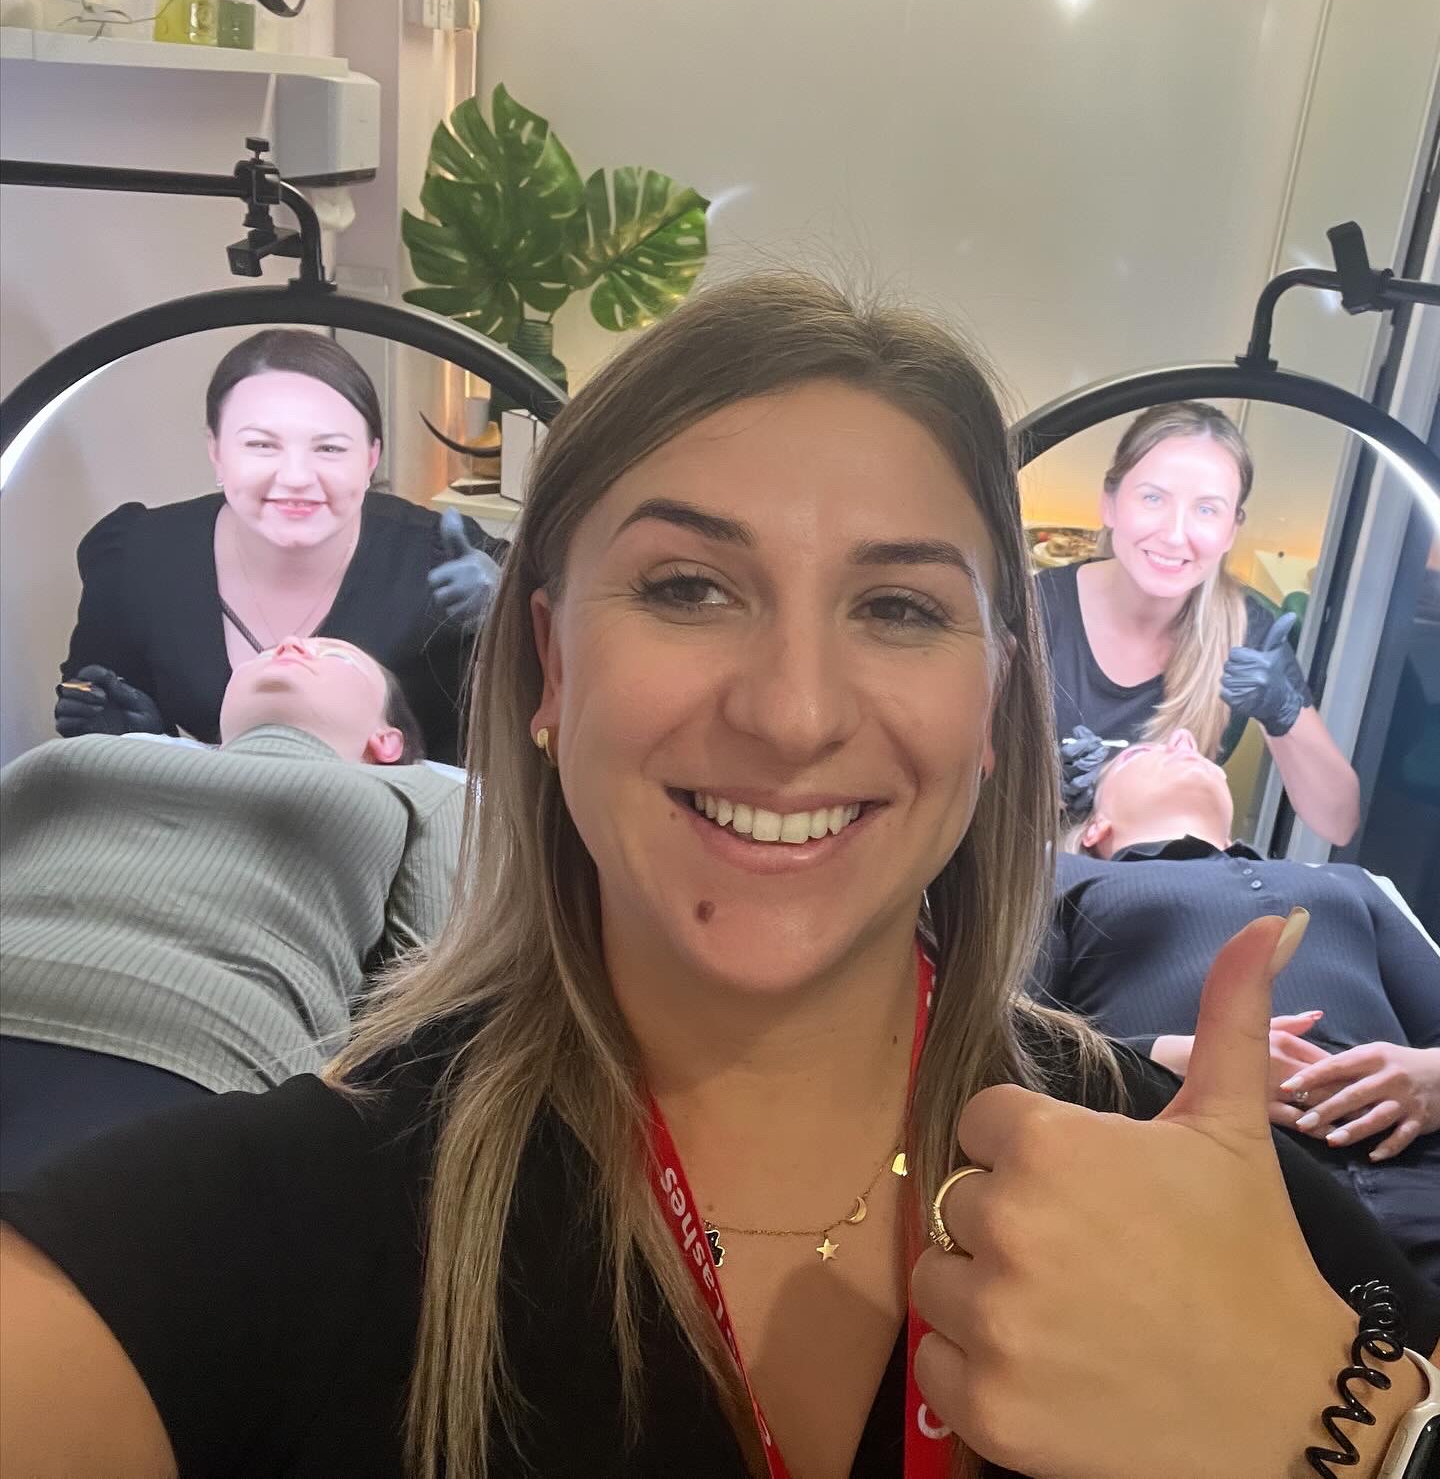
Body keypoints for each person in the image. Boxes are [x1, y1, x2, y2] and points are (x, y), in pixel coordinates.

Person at [2, 277, 1437, 1479]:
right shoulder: (260, 1232)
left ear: (996, 703)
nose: (793, 713)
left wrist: (1359, 1436)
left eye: (898, 606)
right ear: (552, 664)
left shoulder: (1215, 1212)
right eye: (689, 587)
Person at [3, 635, 464, 1189]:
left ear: (386, 741)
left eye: (337, 656)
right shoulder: (99, 751)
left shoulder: (419, 790)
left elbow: (429, 997)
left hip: (186, 1063)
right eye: (265, 652)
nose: (290, 644)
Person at [1033, 728, 1440, 1288]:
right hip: (1200, 1194)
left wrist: (1430, 1077)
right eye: (1142, 751)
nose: (1183, 738)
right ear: (1096, 827)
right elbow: (1012, 1045)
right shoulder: (1058, 876)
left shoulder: (1353, 882)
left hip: (1423, 1175)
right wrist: (1171, 1064)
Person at [53, 328, 504, 765]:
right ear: (216, 451)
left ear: (370, 458)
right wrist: (141, 746)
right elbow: (98, 731)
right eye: (262, 445)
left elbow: (528, 726)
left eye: (329, 449)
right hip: (207, 812)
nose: (295, 477)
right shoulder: (139, 559)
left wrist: (506, 618)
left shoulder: (445, 560)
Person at [1037, 401, 1361, 844]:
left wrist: (1282, 712)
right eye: (1153, 498)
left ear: (1231, 531)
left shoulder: (1245, 633)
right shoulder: (1034, 612)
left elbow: (1338, 823)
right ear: (1109, 504)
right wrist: (1036, 783)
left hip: (1152, 881)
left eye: (1207, 510)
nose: (1175, 535)